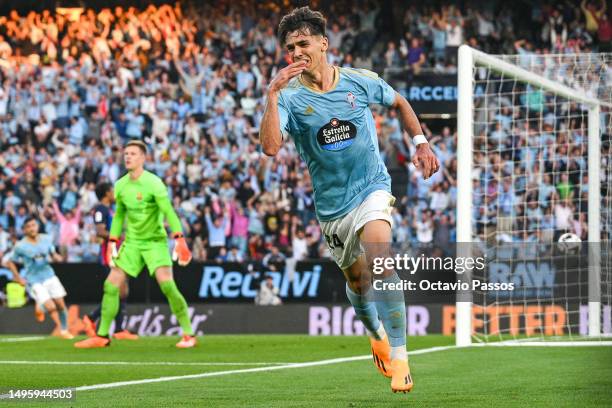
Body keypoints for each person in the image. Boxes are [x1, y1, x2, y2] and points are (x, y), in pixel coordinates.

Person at [259, 7, 439, 393]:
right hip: (332, 208)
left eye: (303, 43)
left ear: (324, 44)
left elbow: (400, 102)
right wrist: (272, 94)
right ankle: (375, 332)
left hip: (372, 186)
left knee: (380, 256)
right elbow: (271, 147)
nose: (297, 52)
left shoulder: (359, 82)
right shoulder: (289, 98)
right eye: (290, 48)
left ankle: (402, 357)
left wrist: (421, 143)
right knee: (358, 281)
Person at [75, 140, 196, 348]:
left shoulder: (154, 183)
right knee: (110, 285)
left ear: (143, 158)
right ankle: (102, 335)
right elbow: (120, 214)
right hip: (131, 243)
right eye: (126, 153)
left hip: (155, 242)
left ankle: (188, 334)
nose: (128, 157)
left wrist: (179, 239)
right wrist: (113, 241)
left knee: (167, 286)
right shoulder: (120, 185)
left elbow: (168, 211)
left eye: (132, 153)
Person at [82, 182, 138, 340]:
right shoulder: (100, 209)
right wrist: (119, 236)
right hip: (109, 255)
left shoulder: (110, 210)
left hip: (119, 253)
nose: (115, 193)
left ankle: (119, 329)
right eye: (112, 190)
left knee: (123, 290)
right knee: (116, 290)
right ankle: (92, 318)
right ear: (106, 193)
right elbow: (100, 231)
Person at [3, 217, 73, 339]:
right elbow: (10, 262)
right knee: (51, 306)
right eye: (28, 227)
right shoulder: (20, 246)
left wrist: (57, 257)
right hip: (34, 280)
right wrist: (18, 277)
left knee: (61, 305)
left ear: (37, 226)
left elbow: (52, 252)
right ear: (24, 230)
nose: (32, 228)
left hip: (49, 275)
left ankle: (64, 330)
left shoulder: (46, 239)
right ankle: (41, 307)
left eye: (33, 225)